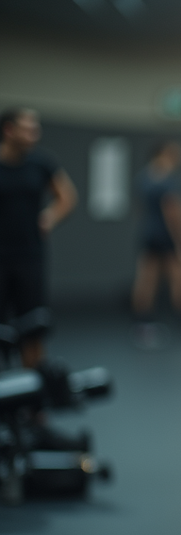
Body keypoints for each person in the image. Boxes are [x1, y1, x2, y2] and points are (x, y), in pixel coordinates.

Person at [0, 107, 77, 368]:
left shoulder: (41, 163)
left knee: (33, 327)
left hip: (29, 257)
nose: (35, 133)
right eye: (28, 128)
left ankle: (33, 401)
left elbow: (67, 196)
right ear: (9, 130)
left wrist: (49, 217)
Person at [130, 141, 181, 348]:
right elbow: (173, 212)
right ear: (164, 153)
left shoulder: (144, 178)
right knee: (180, 278)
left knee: (146, 280)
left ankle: (143, 326)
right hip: (166, 235)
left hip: (149, 234)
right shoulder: (170, 181)